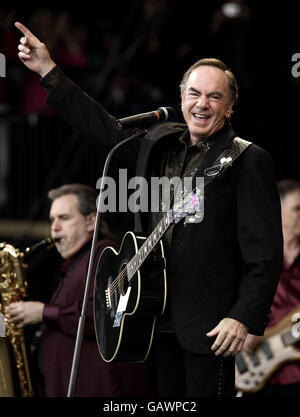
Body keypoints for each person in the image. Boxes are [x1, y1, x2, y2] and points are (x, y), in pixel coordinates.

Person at [13, 21, 283, 397]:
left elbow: (265, 252)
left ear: (230, 105)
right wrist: (48, 72)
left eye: (214, 96)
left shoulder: (247, 159)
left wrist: (242, 316)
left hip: (210, 324)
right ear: (181, 96)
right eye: (194, 94)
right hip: (154, 316)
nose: (201, 103)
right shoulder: (160, 143)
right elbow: (102, 127)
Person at [6, 183, 153, 397]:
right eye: (52, 220)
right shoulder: (74, 265)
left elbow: (103, 316)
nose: (54, 227)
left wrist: (43, 312)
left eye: (63, 218)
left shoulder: (104, 253)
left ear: (91, 221)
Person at [241, 179, 300, 397]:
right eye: (297, 209)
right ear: (278, 210)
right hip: (253, 367)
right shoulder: (253, 255)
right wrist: (243, 324)